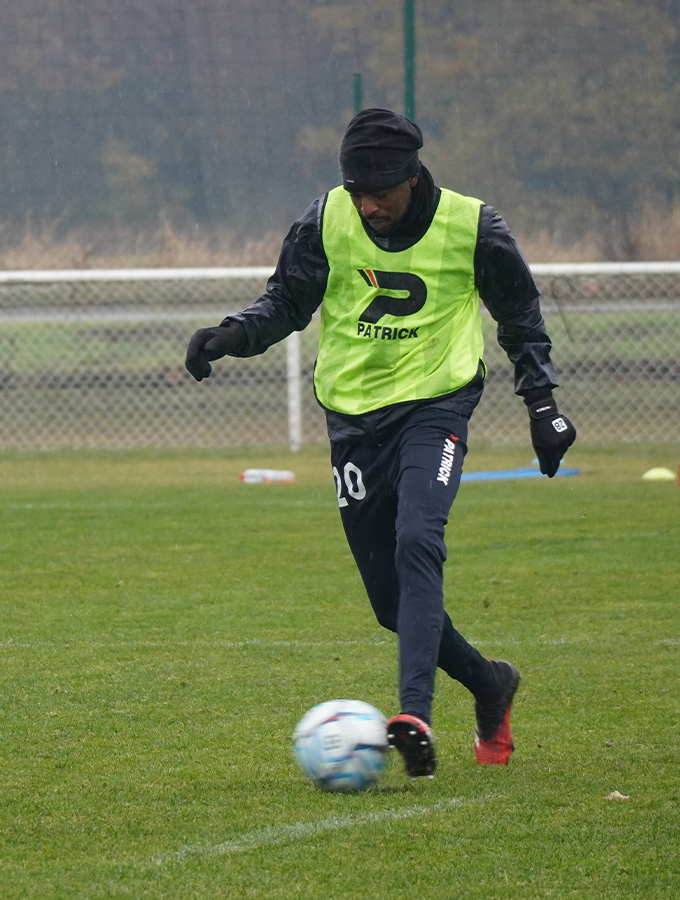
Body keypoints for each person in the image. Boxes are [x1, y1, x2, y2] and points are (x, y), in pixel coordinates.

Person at [186, 109, 575, 778]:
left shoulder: (473, 227)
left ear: (413, 175)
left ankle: (413, 716)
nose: (368, 206)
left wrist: (541, 405)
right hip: (354, 422)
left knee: (418, 536)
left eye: (382, 192)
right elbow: (286, 301)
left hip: (436, 405)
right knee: (392, 606)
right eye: (357, 191)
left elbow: (520, 316)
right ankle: (489, 684)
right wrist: (230, 336)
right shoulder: (325, 220)